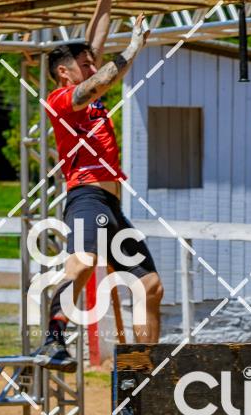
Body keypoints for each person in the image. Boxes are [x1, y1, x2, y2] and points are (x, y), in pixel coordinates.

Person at [34, 1, 163, 371]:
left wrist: (105, 2)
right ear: (64, 72)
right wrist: (133, 46)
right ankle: (52, 339)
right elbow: (101, 78)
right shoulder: (62, 98)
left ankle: (142, 367)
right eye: (85, 64)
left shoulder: (88, 88)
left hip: (111, 204)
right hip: (86, 195)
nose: (93, 66)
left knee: (150, 285)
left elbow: (96, 45)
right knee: (84, 261)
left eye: (93, 63)